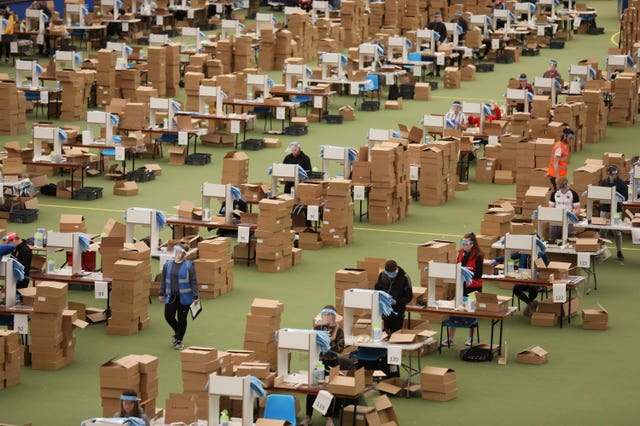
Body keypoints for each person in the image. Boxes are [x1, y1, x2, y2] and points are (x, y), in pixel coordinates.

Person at [302, 305, 353, 426]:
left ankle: (329, 418)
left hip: (332, 364)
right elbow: (310, 343)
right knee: (312, 389)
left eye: (330, 315)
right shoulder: (317, 328)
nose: (327, 317)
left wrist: (329, 344)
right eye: (325, 315)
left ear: (334, 317)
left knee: (329, 390)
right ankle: (308, 416)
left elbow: (340, 348)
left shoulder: (338, 330)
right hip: (318, 362)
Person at [490, 243, 550, 317]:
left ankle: (530, 304)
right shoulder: (522, 253)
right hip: (524, 279)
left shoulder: (542, 255)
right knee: (516, 289)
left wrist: (539, 274)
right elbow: (509, 257)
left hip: (537, 281)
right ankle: (530, 303)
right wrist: (496, 260)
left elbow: (547, 269)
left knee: (532, 288)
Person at [446, 232, 483, 346]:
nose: (464, 245)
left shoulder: (479, 255)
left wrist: (466, 272)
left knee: (471, 312)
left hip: (474, 287)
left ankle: (470, 338)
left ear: (472, 244)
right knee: (455, 309)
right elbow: (458, 266)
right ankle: (450, 338)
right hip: (461, 286)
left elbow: (478, 274)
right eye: (463, 242)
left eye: (466, 243)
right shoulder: (461, 253)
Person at [159, 243, 198, 350]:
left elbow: (193, 282)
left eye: (179, 252)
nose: (176, 253)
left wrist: (196, 296)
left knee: (182, 319)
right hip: (171, 296)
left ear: (184, 255)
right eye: (176, 251)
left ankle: (179, 340)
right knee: (168, 315)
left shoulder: (189, 266)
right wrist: (161, 293)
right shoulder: (168, 264)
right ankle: (178, 332)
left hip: (185, 298)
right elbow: (163, 280)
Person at [374, 260, 413, 334]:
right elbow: (377, 290)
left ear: (396, 270)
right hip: (384, 311)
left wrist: (397, 302)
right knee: (383, 334)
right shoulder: (382, 275)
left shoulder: (405, 278)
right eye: (387, 272)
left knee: (396, 334)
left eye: (390, 273)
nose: (388, 274)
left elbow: (409, 297)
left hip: (398, 312)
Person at [599, 165, 628, 261]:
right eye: (609, 174)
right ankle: (601, 250)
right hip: (604, 209)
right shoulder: (603, 182)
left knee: (617, 231)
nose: (611, 176)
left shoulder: (622, 184)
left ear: (616, 174)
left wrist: (618, 197)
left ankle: (619, 251)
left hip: (616, 211)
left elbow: (625, 198)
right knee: (602, 231)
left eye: (613, 175)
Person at [548, 176, 580, 242]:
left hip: (568, 222)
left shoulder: (574, 194)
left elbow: (577, 210)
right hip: (555, 222)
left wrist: (570, 215)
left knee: (569, 241)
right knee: (553, 240)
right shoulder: (554, 194)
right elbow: (550, 208)